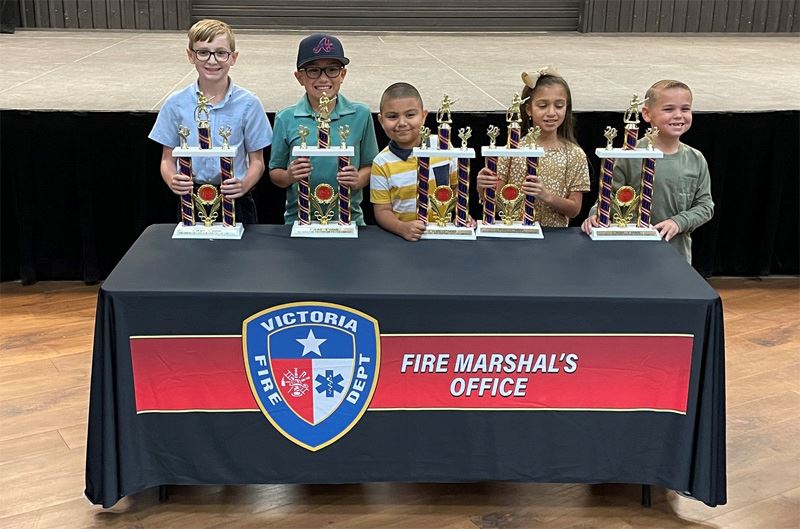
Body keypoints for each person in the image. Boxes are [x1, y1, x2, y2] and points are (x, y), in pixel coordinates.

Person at [149, 19, 272, 224]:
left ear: (233, 57)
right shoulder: (175, 103)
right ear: (190, 55)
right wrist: (172, 179)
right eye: (203, 52)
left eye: (221, 53)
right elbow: (167, 159)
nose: (212, 61)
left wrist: (243, 185)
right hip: (191, 197)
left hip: (235, 196)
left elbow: (257, 161)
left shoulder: (249, 103)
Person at [581, 80, 714, 264]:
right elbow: (610, 195)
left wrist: (679, 222)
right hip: (631, 252)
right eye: (668, 109)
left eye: (685, 109)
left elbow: (705, 206)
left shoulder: (696, 159)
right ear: (646, 113)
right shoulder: (630, 155)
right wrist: (595, 214)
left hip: (675, 255)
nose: (678, 115)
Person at [269, 33, 379, 225]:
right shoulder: (285, 118)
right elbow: (275, 171)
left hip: (349, 220)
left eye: (332, 70)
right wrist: (288, 175)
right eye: (313, 70)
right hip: (301, 220)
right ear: (299, 77)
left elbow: (371, 165)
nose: (323, 78)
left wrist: (358, 180)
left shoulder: (360, 114)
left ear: (342, 74)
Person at [476, 67, 590, 227]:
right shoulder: (511, 150)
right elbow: (495, 202)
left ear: (567, 107)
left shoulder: (574, 154)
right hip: (515, 234)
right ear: (528, 109)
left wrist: (546, 196)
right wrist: (483, 188)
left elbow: (574, 209)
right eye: (543, 106)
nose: (551, 113)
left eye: (559, 106)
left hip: (555, 238)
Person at [370, 82, 458, 241]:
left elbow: (456, 189)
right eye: (392, 116)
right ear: (381, 120)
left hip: (445, 234)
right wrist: (401, 228)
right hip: (406, 239)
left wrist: (462, 216)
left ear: (424, 116)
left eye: (410, 115)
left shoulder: (443, 147)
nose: (402, 123)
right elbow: (382, 211)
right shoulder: (381, 163)